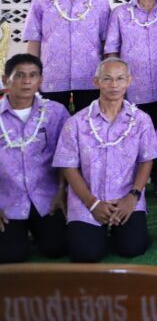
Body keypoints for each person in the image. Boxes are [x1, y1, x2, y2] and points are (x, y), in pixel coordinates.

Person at [52, 57, 157, 263]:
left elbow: (147, 160)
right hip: (87, 200)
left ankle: (120, 231)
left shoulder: (141, 120)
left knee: (133, 248)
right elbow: (69, 167)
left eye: (120, 79)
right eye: (107, 79)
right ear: (96, 82)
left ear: (129, 81)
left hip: (127, 197)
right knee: (86, 255)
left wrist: (133, 196)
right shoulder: (76, 122)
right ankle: (95, 233)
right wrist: (92, 203)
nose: (114, 85)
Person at [0, 54, 70, 263]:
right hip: (7, 200)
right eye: (19, 75)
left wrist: (62, 191)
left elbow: (67, 156)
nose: (27, 81)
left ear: (41, 80)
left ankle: (33, 232)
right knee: (11, 256)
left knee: (57, 248)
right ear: (5, 80)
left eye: (33, 75)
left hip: (47, 197)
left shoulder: (56, 112)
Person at [24, 0, 111, 111]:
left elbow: (106, 42)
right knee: (49, 122)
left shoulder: (100, 2)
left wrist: (107, 76)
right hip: (51, 79)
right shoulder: (41, 1)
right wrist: (32, 74)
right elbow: (34, 41)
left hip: (91, 78)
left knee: (89, 123)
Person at [104, 0, 157, 138]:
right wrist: (116, 85)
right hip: (132, 90)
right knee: (133, 138)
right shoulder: (120, 13)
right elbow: (111, 51)